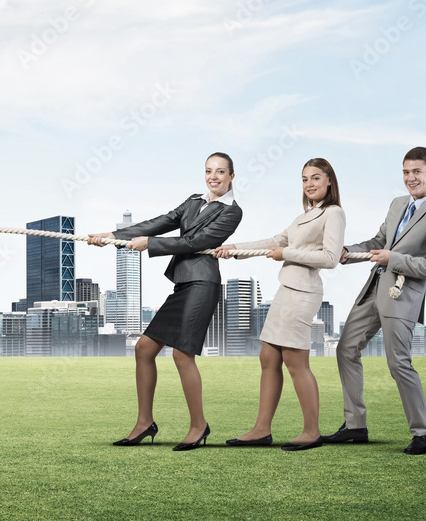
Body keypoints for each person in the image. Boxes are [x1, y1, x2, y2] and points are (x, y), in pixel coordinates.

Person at [88, 152, 242, 451]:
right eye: (209, 171)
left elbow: (195, 243)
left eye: (221, 172)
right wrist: (112, 235)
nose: (214, 177)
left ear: (231, 176)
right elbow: (162, 222)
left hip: (202, 284)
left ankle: (199, 426)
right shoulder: (193, 201)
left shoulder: (232, 212)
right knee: (145, 348)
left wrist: (151, 245)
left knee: (182, 355)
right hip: (183, 284)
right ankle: (145, 423)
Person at [323, 147, 426, 455]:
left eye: (417, 172)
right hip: (374, 288)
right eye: (406, 172)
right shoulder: (398, 204)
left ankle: (423, 434)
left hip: (401, 295)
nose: (411, 178)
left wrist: (394, 259)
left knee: (398, 363)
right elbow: (378, 243)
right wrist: (348, 251)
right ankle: (355, 425)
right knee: (346, 348)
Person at [212, 158, 345, 451]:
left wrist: (288, 253)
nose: (309, 184)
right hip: (286, 290)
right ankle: (261, 429)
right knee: (268, 358)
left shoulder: (333, 213)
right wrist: (235, 249)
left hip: (302, 293)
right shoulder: (304, 216)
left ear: (329, 181)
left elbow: (330, 258)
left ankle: (312, 431)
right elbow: (274, 240)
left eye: (316, 178)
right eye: (304, 179)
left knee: (295, 362)